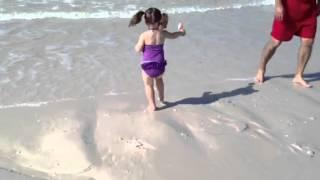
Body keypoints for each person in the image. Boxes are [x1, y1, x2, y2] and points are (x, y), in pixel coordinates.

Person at [129, 7, 186, 112]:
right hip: (160, 66)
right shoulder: (162, 33)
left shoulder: (144, 35)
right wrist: (181, 32)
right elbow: (174, 35)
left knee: (148, 85)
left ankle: (152, 105)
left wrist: (139, 47)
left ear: (145, 21)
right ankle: (162, 98)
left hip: (147, 66)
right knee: (159, 80)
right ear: (159, 20)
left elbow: (137, 49)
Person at [255, 0, 320, 88]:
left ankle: (298, 76)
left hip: (309, 14)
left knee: (308, 43)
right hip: (287, 13)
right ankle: (261, 69)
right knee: (275, 42)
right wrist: (278, 5)